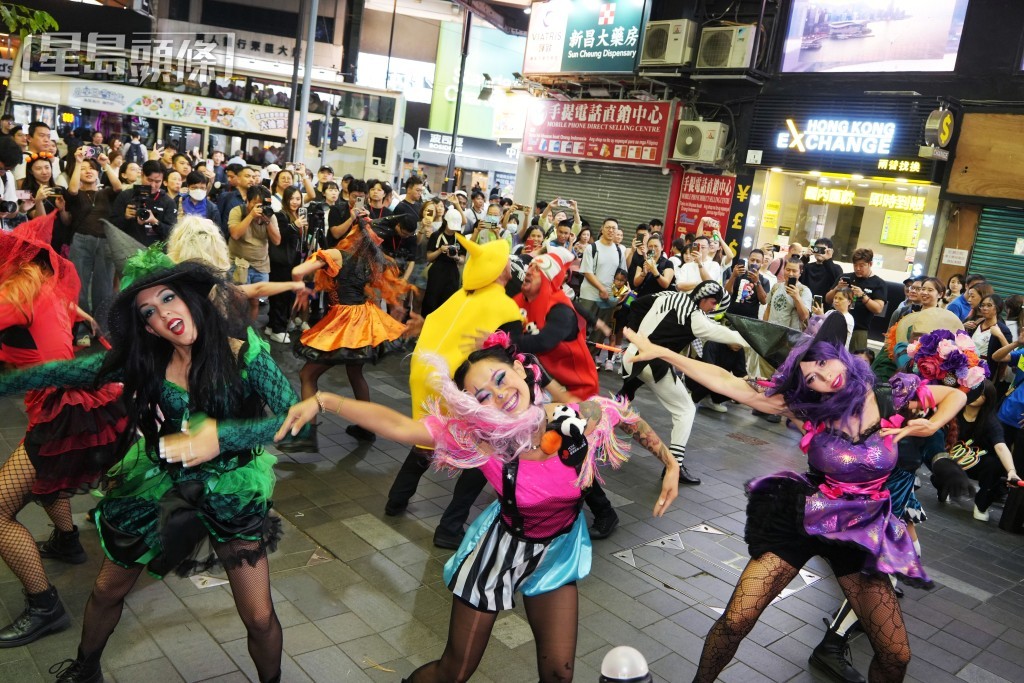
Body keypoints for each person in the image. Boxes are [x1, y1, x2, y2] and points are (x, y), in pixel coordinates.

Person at [274, 332, 679, 683]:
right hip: (501, 551)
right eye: (483, 394)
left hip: (557, 552)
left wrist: (670, 464)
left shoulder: (572, 419)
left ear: (522, 370)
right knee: (455, 671)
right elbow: (400, 426)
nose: (500, 395)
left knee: (560, 673)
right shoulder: (477, 439)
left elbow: (624, 416)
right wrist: (324, 399)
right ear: (473, 405)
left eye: (501, 378)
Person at [1, 250, 302, 683]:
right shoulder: (149, 360)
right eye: (150, 311)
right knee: (106, 590)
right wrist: (10, 381)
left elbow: (297, 424)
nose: (164, 313)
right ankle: (85, 669)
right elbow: (77, 373)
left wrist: (222, 437)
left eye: (168, 298)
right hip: (162, 485)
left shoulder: (242, 352)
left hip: (233, 488)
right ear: (147, 326)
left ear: (189, 299)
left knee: (257, 616)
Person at [624, 314, 967, 683]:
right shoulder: (809, 408)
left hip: (859, 531)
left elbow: (956, 394)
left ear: (838, 352)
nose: (822, 376)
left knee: (896, 654)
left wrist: (933, 423)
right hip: (806, 516)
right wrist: (663, 352)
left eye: (822, 362)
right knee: (736, 620)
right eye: (811, 378)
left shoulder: (891, 394)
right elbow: (729, 383)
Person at [0, 215, 126, 649]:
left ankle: (44, 606)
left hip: (63, 414)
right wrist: (83, 314)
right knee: (42, 472)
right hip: (69, 405)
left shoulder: (18, 288)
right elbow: (68, 308)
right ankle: (68, 540)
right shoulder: (44, 282)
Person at [384, 234, 523, 528]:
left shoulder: (462, 295)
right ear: (501, 270)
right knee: (483, 451)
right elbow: (507, 359)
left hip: (427, 373)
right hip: (459, 383)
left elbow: (434, 320)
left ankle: (396, 500)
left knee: (427, 440)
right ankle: (450, 526)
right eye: (506, 260)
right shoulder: (505, 306)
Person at [291, 214, 410, 443]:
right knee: (355, 372)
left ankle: (307, 433)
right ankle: (366, 428)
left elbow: (298, 271)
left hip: (344, 320)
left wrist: (299, 289)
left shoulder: (338, 254)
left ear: (354, 231)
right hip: (364, 317)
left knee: (307, 374)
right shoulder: (372, 259)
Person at [618, 282, 747, 486]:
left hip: (632, 356)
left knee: (622, 400)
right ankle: (674, 465)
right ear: (703, 298)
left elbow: (637, 304)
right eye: (713, 303)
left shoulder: (670, 295)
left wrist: (636, 334)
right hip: (652, 363)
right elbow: (726, 335)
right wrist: (756, 340)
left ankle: (594, 433)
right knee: (686, 410)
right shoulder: (695, 317)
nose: (713, 308)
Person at [826, 248, 886, 350]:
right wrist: (837, 288)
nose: (858, 268)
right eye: (855, 265)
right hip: (837, 325)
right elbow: (827, 299)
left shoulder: (879, 283)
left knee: (855, 361)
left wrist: (863, 296)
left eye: (861, 265)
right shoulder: (844, 277)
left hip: (859, 330)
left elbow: (878, 309)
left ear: (870, 264)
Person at [422, 205, 465, 317]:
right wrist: (440, 250)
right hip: (437, 270)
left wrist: (455, 257)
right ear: (445, 221)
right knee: (432, 301)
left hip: (453, 272)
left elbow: (462, 260)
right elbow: (429, 257)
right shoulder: (436, 235)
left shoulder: (461, 238)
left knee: (449, 302)